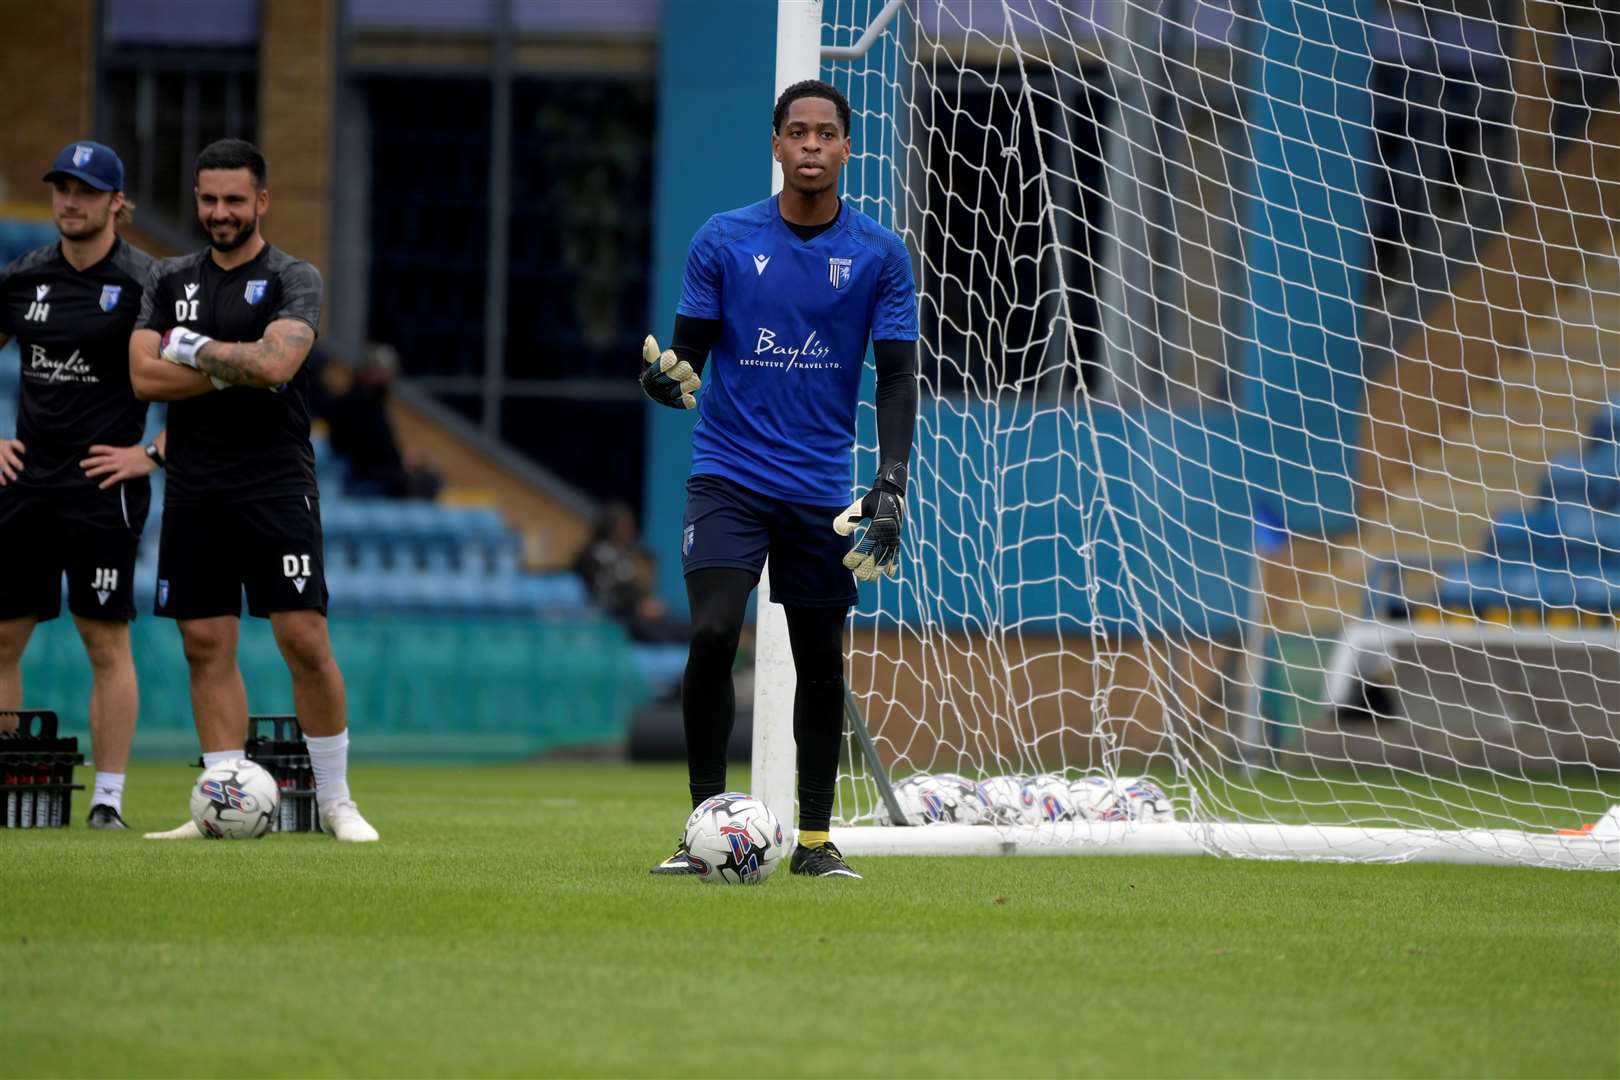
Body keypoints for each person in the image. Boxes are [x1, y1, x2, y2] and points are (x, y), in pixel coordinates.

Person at [642, 80, 918, 879]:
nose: (809, 146)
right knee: (711, 634)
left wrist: (890, 482)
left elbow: (898, 377)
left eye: (825, 133)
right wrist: (665, 381)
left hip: (821, 488)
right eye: (796, 132)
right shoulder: (723, 241)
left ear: (845, 147)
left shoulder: (878, 254)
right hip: (728, 474)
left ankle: (817, 841)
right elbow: (685, 357)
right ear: (775, 143)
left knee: (820, 658)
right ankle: (702, 829)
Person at [128, 138, 378, 842]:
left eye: (234, 199)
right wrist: (224, 367)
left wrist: (189, 348)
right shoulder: (168, 276)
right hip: (195, 484)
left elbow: (278, 364)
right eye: (208, 199)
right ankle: (222, 800)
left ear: (261, 201)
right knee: (205, 642)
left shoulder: (295, 277)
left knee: (302, 638)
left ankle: (336, 802)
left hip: (274, 482)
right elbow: (143, 378)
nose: (220, 212)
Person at [0, 140, 162, 829]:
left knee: (104, 642)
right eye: (62, 188)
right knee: (5, 637)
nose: (70, 201)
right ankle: (8, 787)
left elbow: (210, 383)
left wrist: (151, 455)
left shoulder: (149, 284)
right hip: (26, 481)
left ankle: (107, 801)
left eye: (87, 191)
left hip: (104, 485)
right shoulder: (23, 276)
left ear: (116, 203)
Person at [313, 342, 441, 500]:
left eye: (388, 372)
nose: (386, 377)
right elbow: (366, 451)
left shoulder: (373, 403)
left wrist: (400, 460)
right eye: (380, 371)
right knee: (424, 483)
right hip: (364, 481)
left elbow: (381, 447)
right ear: (366, 372)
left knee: (428, 480)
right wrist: (398, 464)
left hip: (374, 474)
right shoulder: (356, 403)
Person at [573, 502, 688, 645]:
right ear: (610, 527)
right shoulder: (593, 555)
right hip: (618, 615)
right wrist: (638, 606)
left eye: (630, 526)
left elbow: (632, 585)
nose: (629, 531)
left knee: (685, 626)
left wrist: (647, 602)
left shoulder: (623, 554)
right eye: (624, 526)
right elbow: (606, 591)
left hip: (638, 610)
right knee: (662, 633)